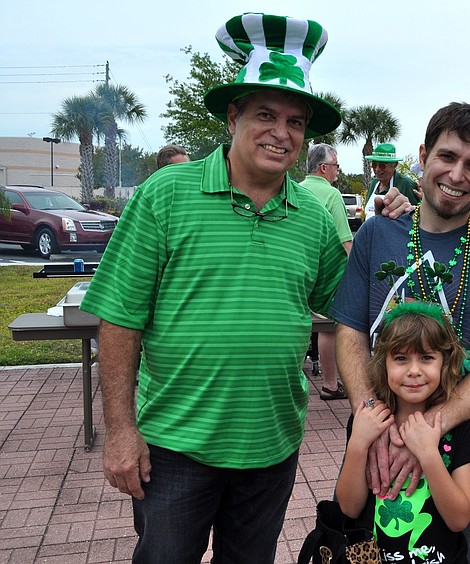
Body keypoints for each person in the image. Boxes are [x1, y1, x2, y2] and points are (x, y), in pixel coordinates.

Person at [80, 13, 361, 563]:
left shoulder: (310, 216)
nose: (282, 133)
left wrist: (397, 234)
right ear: (232, 117)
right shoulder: (166, 194)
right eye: (265, 114)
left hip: (271, 448)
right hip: (176, 448)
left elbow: (351, 307)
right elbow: (118, 316)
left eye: (296, 122)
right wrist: (119, 431)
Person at [331, 102, 470, 563]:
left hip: (462, 451)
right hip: (376, 440)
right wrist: (378, 422)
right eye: (447, 157)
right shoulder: (377, 234)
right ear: (422, 155)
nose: (457, 175)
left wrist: (424, 431)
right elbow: (352, 333)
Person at [337, 301, 470, 564]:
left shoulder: (462, 428)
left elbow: (459, 519)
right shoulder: (367, 421)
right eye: (401, 358)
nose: (414, 370)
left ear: (445, 362)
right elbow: (349, 507)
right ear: (383, 363)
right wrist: (358, 444)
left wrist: (429, 454)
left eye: (427, 358)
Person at [300, 143, 352, 400]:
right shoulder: (331, 196)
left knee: (300, 323)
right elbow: (345, 241)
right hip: (325, 273)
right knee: (327, 326)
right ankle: (331, 384)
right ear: (323, 168)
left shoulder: (295, 190)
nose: (337, 172)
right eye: (336, 166)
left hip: (297, 270)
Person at [363, 142, 421, 219]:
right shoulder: (373, 183)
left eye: (382, 165)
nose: (377, 169)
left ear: (395, 165)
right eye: (374, 164)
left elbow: (417, 216)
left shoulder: (406, 184)